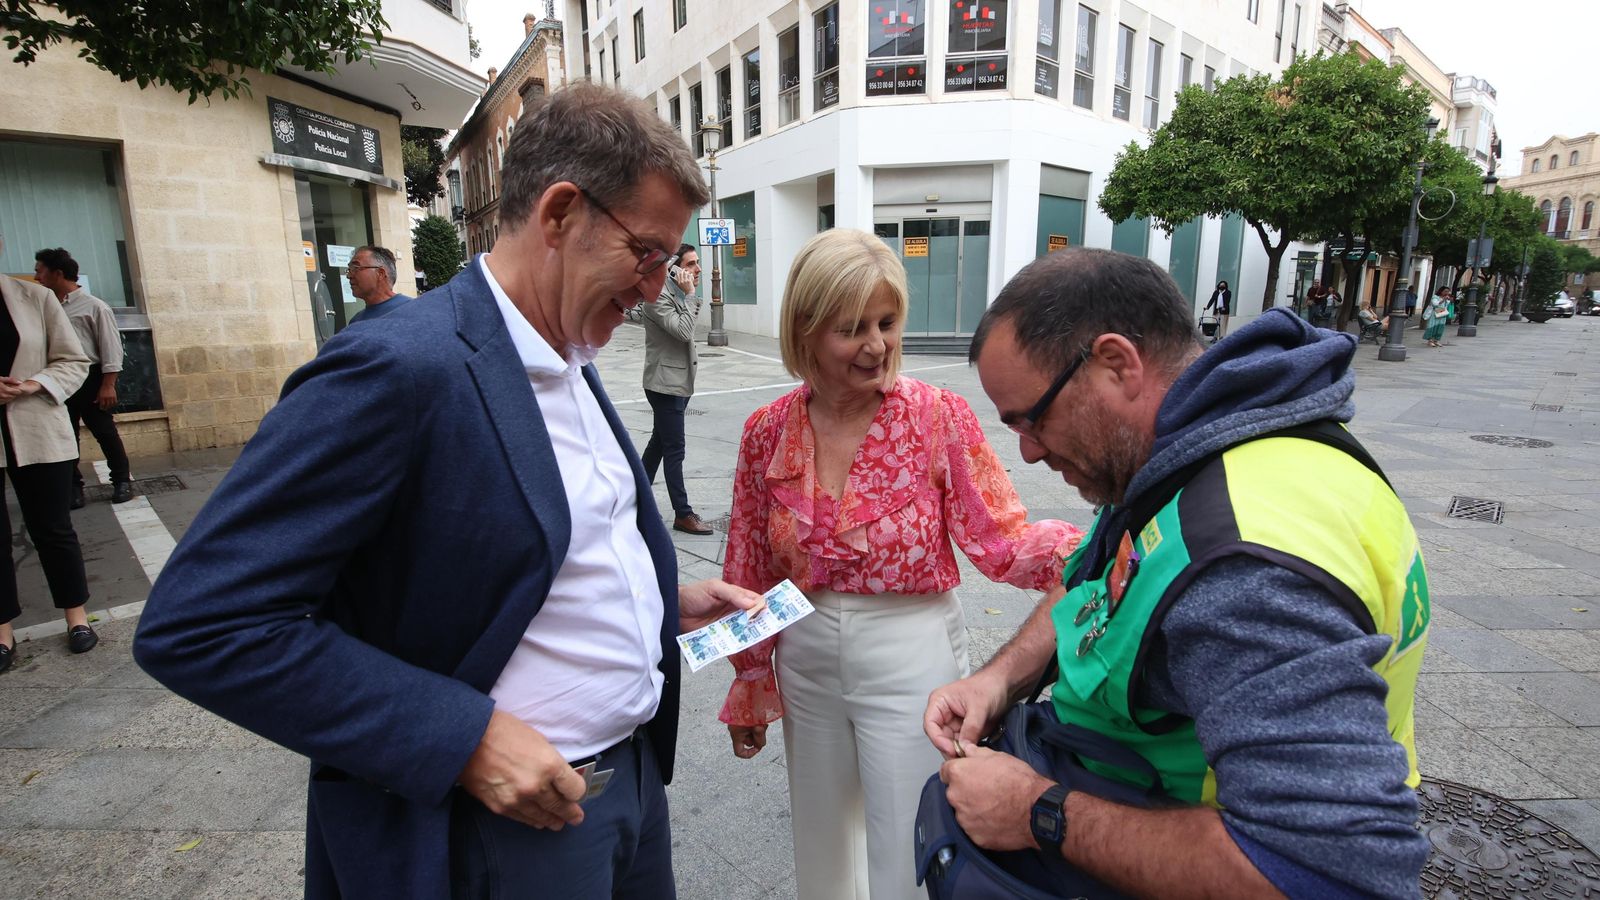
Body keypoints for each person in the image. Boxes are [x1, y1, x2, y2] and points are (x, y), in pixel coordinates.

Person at [133, 84, 764, 898]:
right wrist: (465, 740)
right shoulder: (398, 366)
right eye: (646, 254)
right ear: (561, 213)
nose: (653, 288)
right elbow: (204, 622)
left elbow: (524, 546)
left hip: (631, 784)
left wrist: (654, 600)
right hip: (495, 833)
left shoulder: (569, 352)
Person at [925, 247, 1431, 899]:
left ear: (1117, 363)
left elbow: (1327, 873)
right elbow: (1096, 580)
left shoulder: (1242, 565)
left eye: (1035, 417)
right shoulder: (1206, 451)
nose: (1026, 451)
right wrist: (999, 679)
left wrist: (1036, 812)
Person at [719, 228, 1082, 900]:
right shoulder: (767, 431)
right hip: (803, 649)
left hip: (910, 648)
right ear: (805, 330)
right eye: (851, 328)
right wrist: (749, 676)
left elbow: (999, 536)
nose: (877, 345)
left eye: (887, 323)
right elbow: (749, 562)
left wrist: (1087, 554)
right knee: (821, 838)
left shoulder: (937, 416)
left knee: (910, 837)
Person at [0, 234, 94, 673]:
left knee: (54, 529)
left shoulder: (34, 297)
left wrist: (35, 384)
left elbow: (74, 361)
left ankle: (77, 617)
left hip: (38, 427)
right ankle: (3, 631)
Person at [32, 248, 132, 507]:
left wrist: (108, 385)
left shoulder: (94, 306)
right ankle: (74, 487)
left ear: (58, 273)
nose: (36, 277)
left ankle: (122, 481)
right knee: (65, 434)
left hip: (90, 377)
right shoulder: (44, 306)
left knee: (105, 432)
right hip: (57, 377)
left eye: (40, 271)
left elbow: (111, 348)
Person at [631, 243, 712, 535]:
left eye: (697, 263)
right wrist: (690, 295)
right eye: (690, 264)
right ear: (673, 270)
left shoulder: (675, 293)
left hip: (678, 382)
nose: (698, 269)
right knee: (674, 449)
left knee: (659, 443)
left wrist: (687, 295)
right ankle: (683, 514)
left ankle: (634, 498)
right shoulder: (657, 298)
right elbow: (683, 331)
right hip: (665, 386)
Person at [344, 245, 412, 325]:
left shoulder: (412, 309)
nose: (349, 276)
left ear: (380, 274)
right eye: (349, 270)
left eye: (356, 268)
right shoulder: (356, 322)